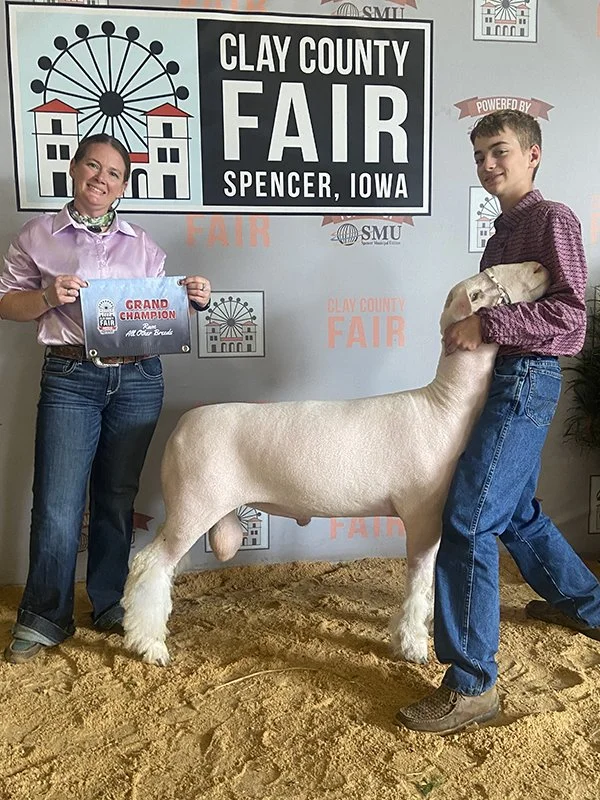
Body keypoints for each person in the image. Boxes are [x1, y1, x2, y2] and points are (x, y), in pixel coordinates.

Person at [395, 109, 600, 735]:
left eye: (501, 151)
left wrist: (488, 324)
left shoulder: (551, 219)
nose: (488, 165)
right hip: (496, 386)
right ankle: (588, 606)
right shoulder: (499, 234)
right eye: (480, 155)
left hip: (524, 383)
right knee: (513, 511)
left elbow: (571, 321)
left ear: (533, 153)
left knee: (468, 520)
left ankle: (472, 683)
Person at [0, 133, 211, 664]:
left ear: (123, 185)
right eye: (93, 166)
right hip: (71, 376)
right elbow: (6, 303)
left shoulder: (143, 244)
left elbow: (161, 315)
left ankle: (110, 603)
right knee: (57, 501)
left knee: (117, 499)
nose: (101, 178)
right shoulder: (37, 235)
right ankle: (45, 615)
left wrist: (193, 300)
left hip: (138, 378)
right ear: (74, 169)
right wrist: (48, 297)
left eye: (114, 173)